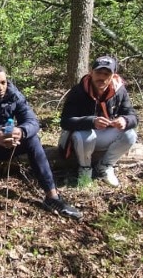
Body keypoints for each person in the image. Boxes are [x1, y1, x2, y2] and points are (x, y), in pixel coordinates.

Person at [0, 64, 83, 230]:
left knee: (33, 140)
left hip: (8, 142)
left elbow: (32, 122)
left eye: (3, 82)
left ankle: (52, 197)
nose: (0, 87)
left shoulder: (13, 94)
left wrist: (21, 131)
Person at [58, 56, 138, 187]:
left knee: (130, 135)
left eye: (106, 74)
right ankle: (85, 169)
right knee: (86, 136)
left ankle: (105, 166)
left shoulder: (119, 90)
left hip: (104, 135)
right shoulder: (78, 91)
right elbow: (66, 121)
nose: (101, 77)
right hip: (80, 138)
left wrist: (125, 120)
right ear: (91, 72)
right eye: (98, 72)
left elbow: (133, 116)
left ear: (113, 75)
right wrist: (92, 121)